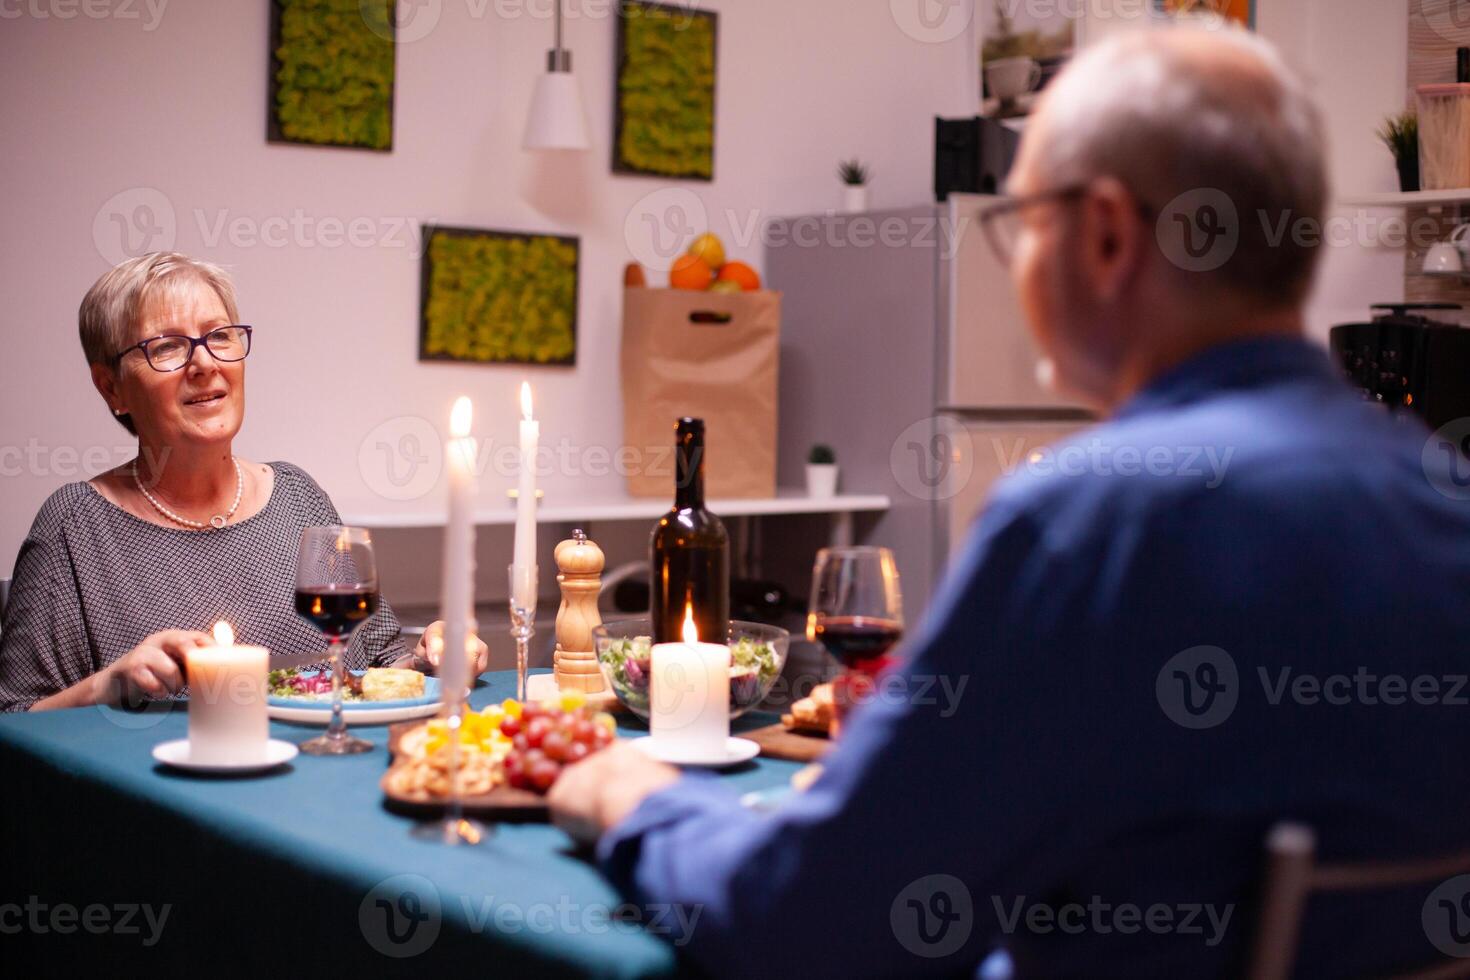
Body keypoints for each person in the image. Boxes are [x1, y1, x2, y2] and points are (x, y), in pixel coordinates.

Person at [549, 26, 1470, 977]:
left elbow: (810, 921)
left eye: (1022, 225)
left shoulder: (1090, 523)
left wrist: (635, 801)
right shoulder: (1445, 504)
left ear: (1107, 235)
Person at [0, 252, 485, 712]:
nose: (205, 363)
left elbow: (375, 667)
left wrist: (428, 660)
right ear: (112, 388)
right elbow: (16, 719)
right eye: (167, 346)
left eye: (220, 336)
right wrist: (110, 684)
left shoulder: (299, 498)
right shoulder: (75, 525)